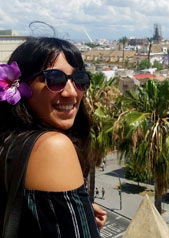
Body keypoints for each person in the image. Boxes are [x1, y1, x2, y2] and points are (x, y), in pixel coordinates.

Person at [0, 37, 107, 237]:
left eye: (80, 80)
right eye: (54, 80)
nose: (71, 93)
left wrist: (73, 213)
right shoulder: (52, 147)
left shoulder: (10, 141)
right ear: (20, 86)